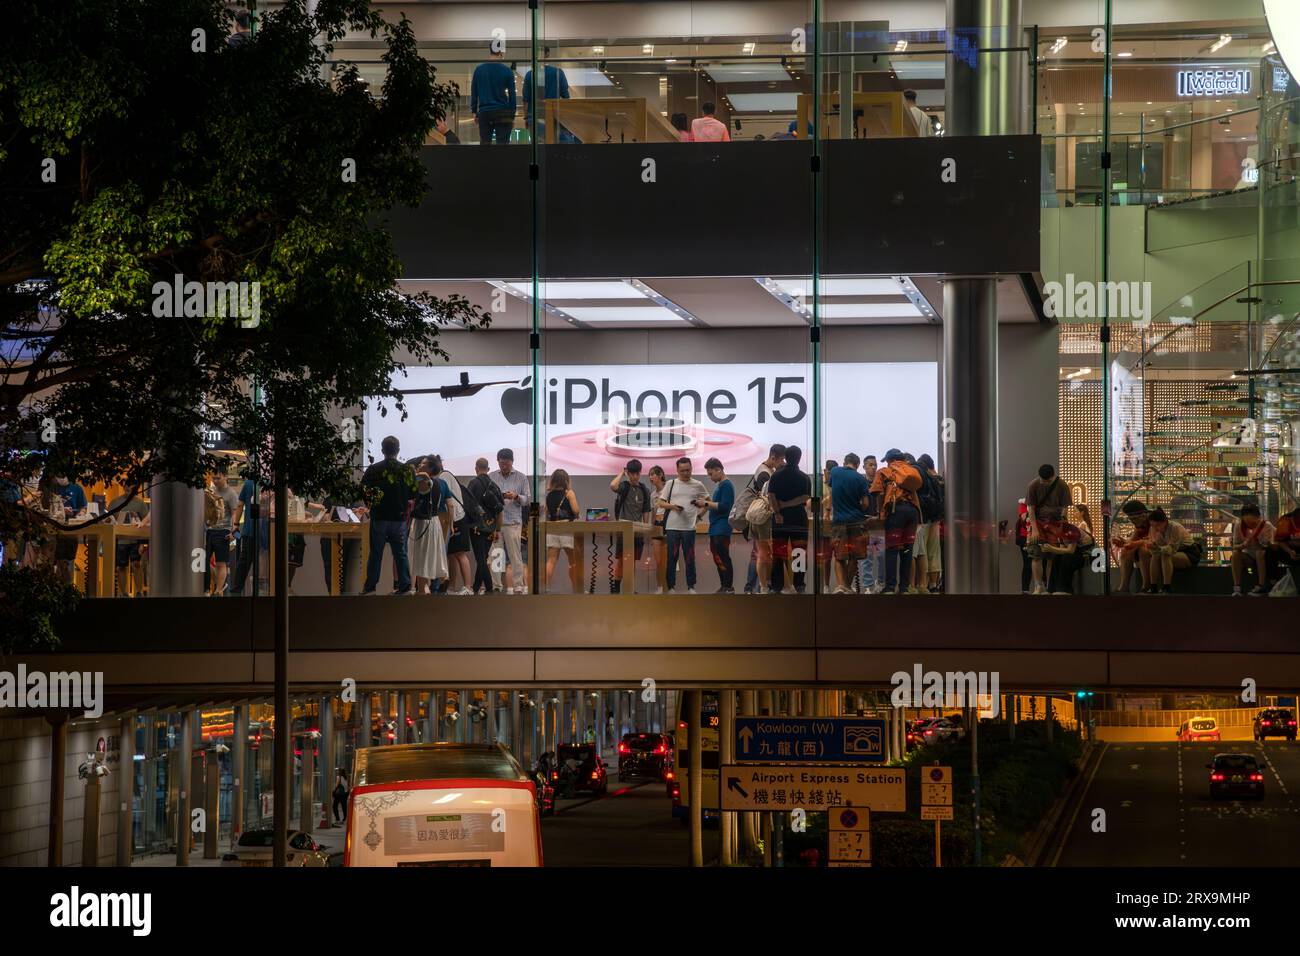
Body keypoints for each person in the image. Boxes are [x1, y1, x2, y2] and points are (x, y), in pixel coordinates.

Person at [361, 436, 416, 595]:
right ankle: (405, 585)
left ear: (382, 450)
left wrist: (374, 504)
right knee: (400, 553)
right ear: (398, 451)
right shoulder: (407, 470)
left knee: (376, 553)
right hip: (399, 519)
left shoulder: (373, 469)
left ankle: (370, 587)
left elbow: (365, 491)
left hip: (379, 517)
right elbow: (413, 493)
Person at [1025, 464, 1086, 595]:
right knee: (1036, 554)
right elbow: (1030, 508)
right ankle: (1038, 586)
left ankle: (1049, 586)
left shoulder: (1062, 485)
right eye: (1043, 480)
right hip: (1039, 522)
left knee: (1052, 556)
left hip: (1055, 523)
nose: (1045, 483)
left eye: (1048, 481)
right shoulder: (1033, 485)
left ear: (1053, 476)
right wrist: (1034, 529)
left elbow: (1065, 506)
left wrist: (1063, 520)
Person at [871, 449, 922, 594]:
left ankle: (890, 587)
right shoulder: (910, 471)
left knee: (892, 549)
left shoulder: (885, 471)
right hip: (913, 512)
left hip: (896, 511)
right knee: (907, 550)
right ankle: (904, 588)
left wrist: (880, 512)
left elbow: (878, 493)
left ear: (890, 460)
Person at [657, 457, 708, 593]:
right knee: (672, 558)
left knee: (689, 557)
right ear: (677, 470)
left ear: (691, 469)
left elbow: (708, 502)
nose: (685, 473)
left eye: (688, 470)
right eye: (682, 471)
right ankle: (671, 587)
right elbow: (660, 503)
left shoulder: (698, 484)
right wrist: (673, 506)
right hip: (672, 526)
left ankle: (691, 586)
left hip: (689, 527)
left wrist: (699, 516)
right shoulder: (671, 483)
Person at [767, 445, 811, 594]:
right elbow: (805, 497)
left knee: (779, 554)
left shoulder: (776, 475)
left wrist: (778, 511)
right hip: (799, 520)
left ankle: (777, 587)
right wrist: (790, 504)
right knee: (799, 553)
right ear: (799, 458)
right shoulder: (804, 477)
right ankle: (799, 585)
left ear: (785, 456)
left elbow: (771, 496)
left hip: (780, 521)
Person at [743, 444, 785, 594]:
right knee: (760, 554)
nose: (783, 463)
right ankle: (756, 586)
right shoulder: (764, 474)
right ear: (773, 457)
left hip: (759, 519)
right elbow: (768, 498)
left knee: (761, 553)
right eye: (781, 460)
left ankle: (759, 586)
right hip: (762, 519)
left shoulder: (768, 470)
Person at [489, 448, 531, 594]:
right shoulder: (492, 477)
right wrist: (500, 496)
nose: (503, 466)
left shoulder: (521, 477)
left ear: (512, 461)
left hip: (514, 522)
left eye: (506, 463)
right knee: (496, 554)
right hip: (496, 523)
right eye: (501, 463)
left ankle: (518, 584)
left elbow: (528, 499)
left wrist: (516, 496)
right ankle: (496, 585)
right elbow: (487, 497)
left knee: (515, 554)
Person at [829, 453, 872, 594]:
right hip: (856, 522)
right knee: (854, 556)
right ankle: (847, 587)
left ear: (844, 462)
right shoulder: (860, 479)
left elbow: (831, 490)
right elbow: (865, 503)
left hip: (839, 522)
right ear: (858, 465)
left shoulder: (835, 472)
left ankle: (841, 586)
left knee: (839, 556)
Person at [431, 456, 473, 594]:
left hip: (456, 519)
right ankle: (451, 587)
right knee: (451, 554)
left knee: (460, 554)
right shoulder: (444, 476)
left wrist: (451, 524)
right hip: (451, 519)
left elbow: (448, 503)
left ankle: (468, 587)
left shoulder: (443, 477)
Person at [609, 459, 652, 593]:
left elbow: (646, 510)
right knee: (622, 560)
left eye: (637, 474)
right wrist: (622, 473)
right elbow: (613, 486)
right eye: (631, 473)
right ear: (628, 473)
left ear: (640, 473)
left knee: (632, 561)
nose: (634, 476)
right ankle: (616, 588)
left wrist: (645, 528)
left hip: (637, 531)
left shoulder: (644, 490)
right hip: (623, 530)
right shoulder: (625, 486)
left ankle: (630, 588)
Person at [409, 463, 449, 594]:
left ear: (430, 469)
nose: (419, 465)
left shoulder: (424, 481)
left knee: (421, 558)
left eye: (423, 463)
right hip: (434, 521)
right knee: (429, 556)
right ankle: (428, 586)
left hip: (423, 523)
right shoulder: (441, 483)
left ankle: (423, 590)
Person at [466, 457, 505, 594]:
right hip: (490, 527)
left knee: (480, 559)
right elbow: (500, 510)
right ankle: (476, 588)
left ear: (476, 468)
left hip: (476, 527)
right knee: (483, 558)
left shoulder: (473, 484)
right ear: (488, 469)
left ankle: (489, 587)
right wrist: (497, 530)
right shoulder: (494, 485)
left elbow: (468, 506)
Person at [1142, 507, 1199, 595]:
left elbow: (1172, 549)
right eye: (1152, 525)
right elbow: (1155, 545)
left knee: (1165, 554)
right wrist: (1153, 547)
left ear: (1165, 522)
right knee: (1155, 555)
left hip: (1188, 552)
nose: (1155, 528)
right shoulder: (1153, 529)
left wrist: (1158, 548)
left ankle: (1167, 586)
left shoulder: (1175, 528)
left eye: (1157, 525)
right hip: (1168, 551)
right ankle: (1153, 586)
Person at [522, 47, 574, 141]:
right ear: (548, 54)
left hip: (534, 118)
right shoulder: (558, 72)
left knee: (536, 149)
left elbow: (526, 100)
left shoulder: (530, 75)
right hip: (553, 117)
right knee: (552, 147)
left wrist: (526, 117)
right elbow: (566, 97)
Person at [699, 458, 735, 593]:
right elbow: (715, 505)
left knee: (723, 556)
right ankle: (724, 585)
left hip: (722, 527)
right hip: (715, 527)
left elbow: (725, 507)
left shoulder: (726, 485)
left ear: (718, 470)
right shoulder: (720, 485)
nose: (710, 477)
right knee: (717, 557)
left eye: (710, 473)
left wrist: (705, 503)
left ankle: (728, 586)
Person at [470, 44, 517, 145]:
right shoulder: (507, 71)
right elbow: (512, 96)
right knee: (503, 147)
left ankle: (486, 161)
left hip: (484, 112)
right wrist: (512, 115)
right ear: (500, 52)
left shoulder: (479, 70)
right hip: (503, 112)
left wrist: (474, 111)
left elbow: (474, 92)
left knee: (485, 147)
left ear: (490, 50)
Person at [544, 469, 581, 592]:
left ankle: (545, 588)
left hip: (552, 528)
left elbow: (547, 513)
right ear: (566, 480)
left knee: (551, 561)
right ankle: (576, 589)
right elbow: (576, 511)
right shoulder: (569, 493)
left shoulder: (549, 495)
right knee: (573, 562)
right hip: (567, 529)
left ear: (553, 480)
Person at [913, 453, 945, 593]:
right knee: (934, 552)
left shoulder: (918, 474)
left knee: (922, 552)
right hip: (936, 519)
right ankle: (934, 584)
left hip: (923, 519)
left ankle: (923, 585)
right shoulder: (936, 479)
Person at [1230, 503, 1275, 596]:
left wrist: (1258, 544)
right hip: (1249, 556)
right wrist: (1243, 545)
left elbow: (1270, 547)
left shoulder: (1267, 526)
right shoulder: (1239, 525)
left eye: (1252, 523)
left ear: (1258, 518)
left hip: (1265, 557)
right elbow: (1234, 546)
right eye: (1247, 522)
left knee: (1260, 552)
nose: (1250, 525)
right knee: (1235, 554)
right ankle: (1237, 587)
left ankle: (1261, 585)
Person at [1044, 520, 1094, 594]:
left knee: (1067, 558)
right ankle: (1052, 588)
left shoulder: (1071, 530)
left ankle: (1065, 589)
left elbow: (1070, 550)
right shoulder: (1060, 534)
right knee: (1057, 557)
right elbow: (1061, 550)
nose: (1052, 531)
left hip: (1088, 554)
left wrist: (1051, 548)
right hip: (1076, 552)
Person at [1113, 499, 1152, 593]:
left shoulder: (1154, 522)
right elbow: (1132, 543)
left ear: (1143, 515)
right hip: (1153, 550)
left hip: (1166, 549)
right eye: (1131, 519)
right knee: (1126, 551)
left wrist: (1131, 544)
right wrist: (1124, 544)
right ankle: (1124, 587)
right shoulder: (1140, 525)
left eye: (1134, 519)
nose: (1133, 522)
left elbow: (1154, 541)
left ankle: (1146, 586)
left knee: (1143, 551)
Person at [857, 455, 884, 593]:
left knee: (881, 555)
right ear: (864, 467)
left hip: (879, 526)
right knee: (866, 557)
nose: (873, 468)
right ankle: (867, 586)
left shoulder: (880, 484)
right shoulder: (861, 483)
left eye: (875, 465)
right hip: (865, 525)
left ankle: (880, 583)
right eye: (870, 465)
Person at [646, 465, 669, 593]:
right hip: (656, 528)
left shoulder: (668, 490)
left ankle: (668, 586)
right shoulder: (652, 494)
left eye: (652, 474)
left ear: (660, 475)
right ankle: (659, 587)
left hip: (668, 527)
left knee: (667, 561)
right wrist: (651, 529)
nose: (650, 477)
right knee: (658, 561)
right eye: (649, 475)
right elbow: (653, 513)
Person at [1269, 505, 1300, 590]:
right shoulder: (1284, 521)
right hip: (1288, 551)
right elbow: (1280, 541)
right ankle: (1272, 581)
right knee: (1271, 549)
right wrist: (1290, 551)